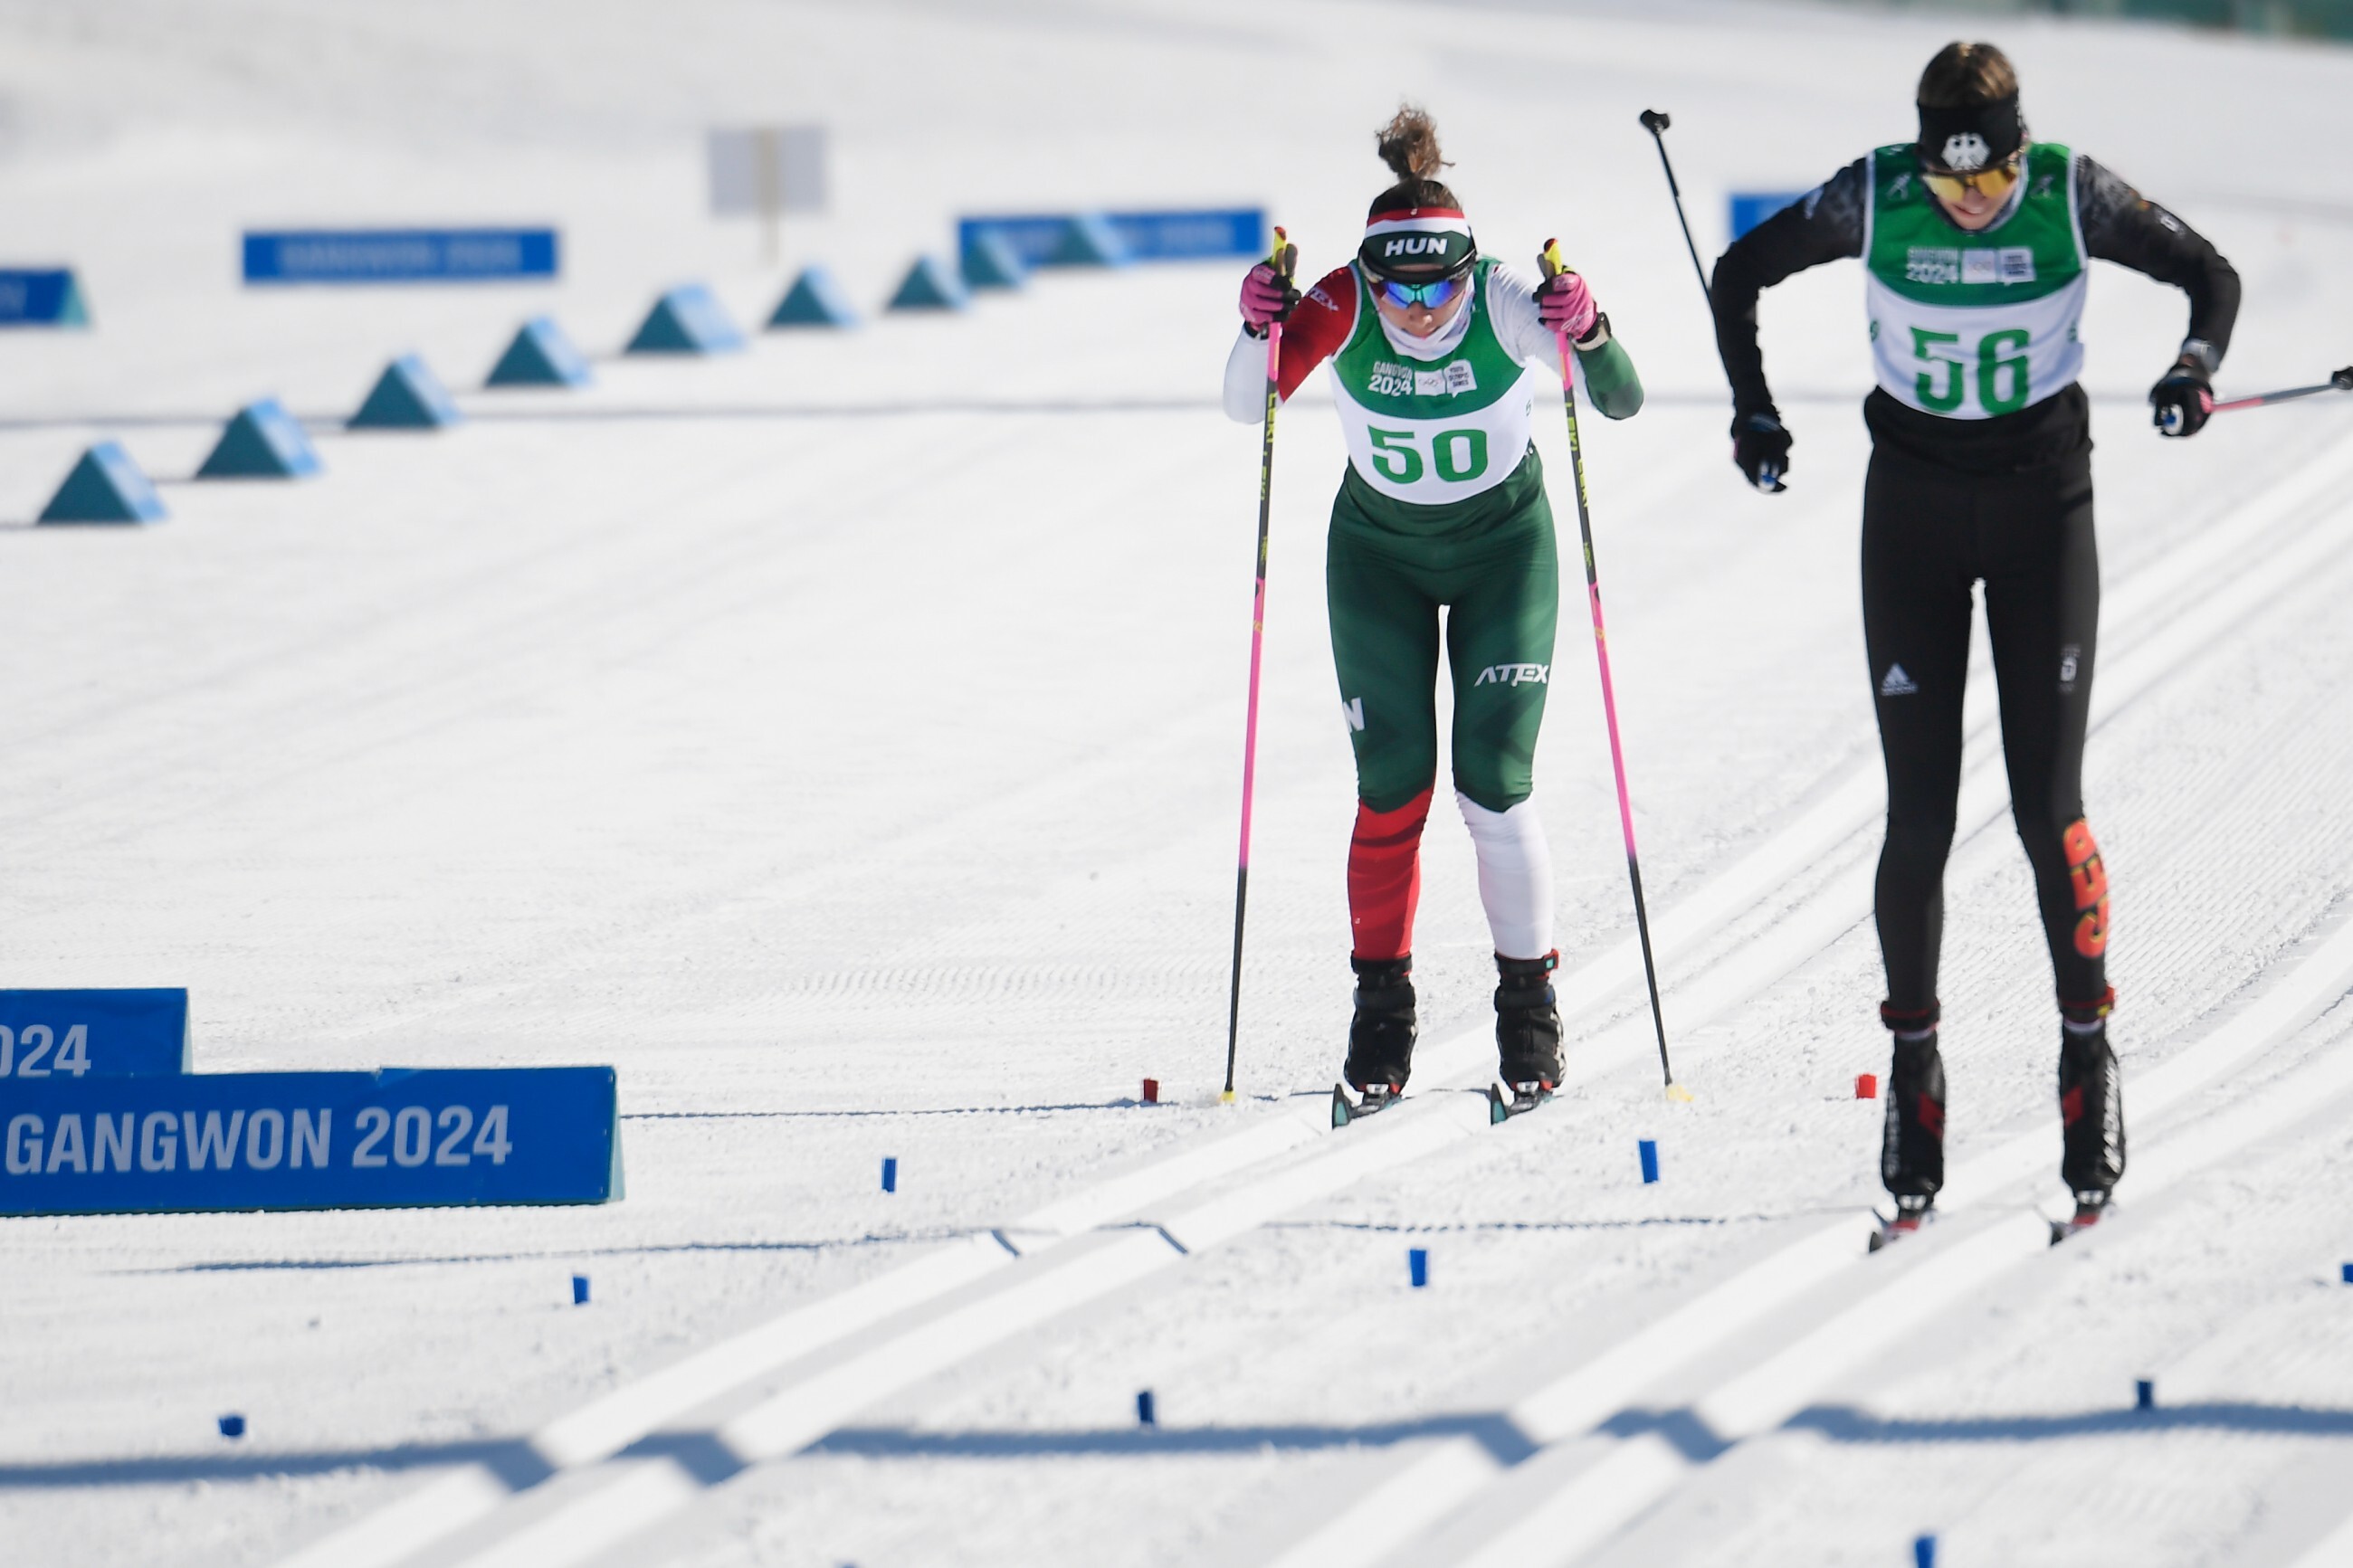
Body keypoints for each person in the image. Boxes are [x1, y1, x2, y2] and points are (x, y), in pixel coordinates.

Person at [1708, 41, 2240, 1234]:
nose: (1971, 201)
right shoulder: (1877, 192)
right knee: (1918, 815)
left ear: (2016, 147)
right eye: (1952, 185)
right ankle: (1914, 1074)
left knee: (2050, 804)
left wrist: (2193, 369)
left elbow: (2211, 277)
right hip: (1912, 512)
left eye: (1987, 179)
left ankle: (2085, 1059)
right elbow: (1739, 272)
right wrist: (1752, 406)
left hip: (2044, 504)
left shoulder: (2068, 190)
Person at [1222, 107, 1643, 1107]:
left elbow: (1619, 400)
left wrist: (1589, 326)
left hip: (1504, 553)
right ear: (1369, 278)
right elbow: (1249, 406)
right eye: (1397, 289)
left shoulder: (1504, 298)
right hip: (1378, 560)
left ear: (1469, 267)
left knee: (1492, 780)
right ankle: (1381, 1017)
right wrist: (1253, 326)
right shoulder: (1339, 300)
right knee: (1391, 785)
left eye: (1437, 284)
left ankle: (1527, 1011)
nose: (1417, 308)